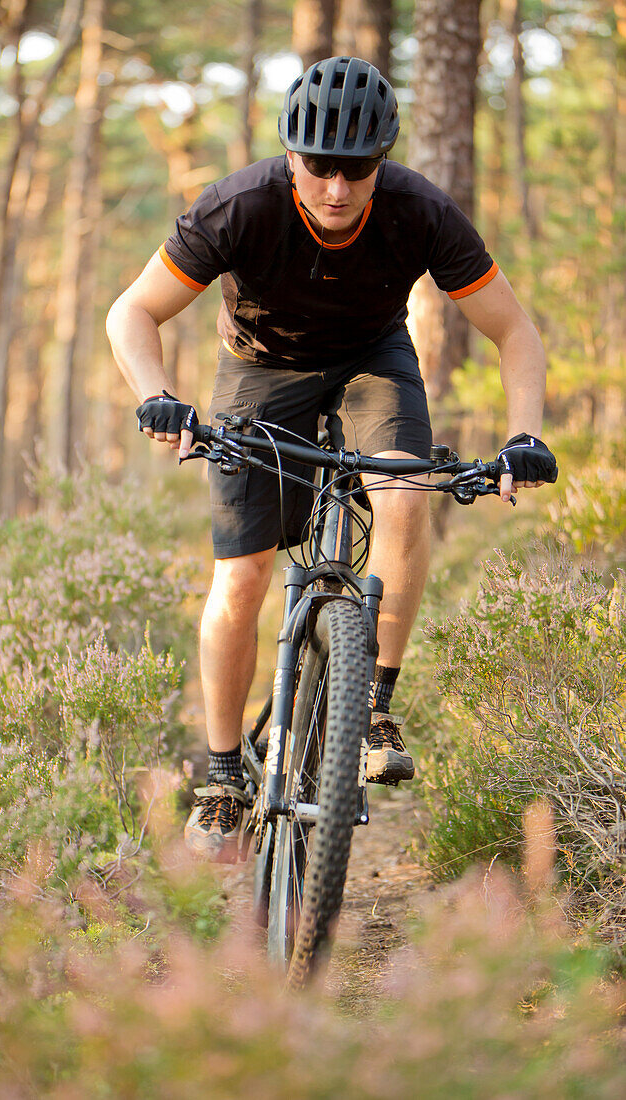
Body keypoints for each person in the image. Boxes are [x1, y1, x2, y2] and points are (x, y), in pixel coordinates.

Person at [106, 56, 557, 863]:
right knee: (241, 578)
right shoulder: (237, 208)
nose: (338, 187)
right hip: (259, 367)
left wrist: (524, 434)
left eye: (356, 169)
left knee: (404, 492)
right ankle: (220, 780)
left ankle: (372, 706)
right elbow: (133, 311)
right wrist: (155, 392)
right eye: (320, 167)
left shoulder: (420, 212)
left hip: (371, 359)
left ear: (381, 162)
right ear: (290, 158)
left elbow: (514, 332)